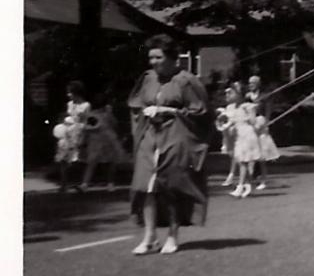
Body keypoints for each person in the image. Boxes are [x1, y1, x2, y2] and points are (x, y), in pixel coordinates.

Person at [127, 34, 211, 255]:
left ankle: (173, 235)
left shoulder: (185, 80)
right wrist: (143, 114)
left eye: (158, 57)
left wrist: (168, 110)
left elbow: (199, 111)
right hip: (150, 135)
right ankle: (150, 237)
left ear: (172, 58)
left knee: (170, 185)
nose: (153, 62)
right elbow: (136, 104)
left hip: (175, 135)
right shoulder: (147, 78)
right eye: (151, 57)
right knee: (146, 185)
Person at [218, 84, 261, 199]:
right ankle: (248, 184)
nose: (228, 95)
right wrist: (223, 126)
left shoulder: (247, 106)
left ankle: (240, 186)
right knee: (242, 161)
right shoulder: (233, 108)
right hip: (239, 136)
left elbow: (253, 122)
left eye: (230, 93)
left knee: (243, 162)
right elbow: (231, 123)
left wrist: (250, 113)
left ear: (238, 94)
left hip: (247, 135)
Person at [79, 92, 128, 191]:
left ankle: (86, 184)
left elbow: (87, 128)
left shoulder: (93, 114)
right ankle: (109, 183)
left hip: (98, 140)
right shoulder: (102, 114)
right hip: (105, 139)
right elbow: (114, 124)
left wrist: (84, 139)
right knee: (107, 162)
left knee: (94, 163)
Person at [55, 81, 90, 193]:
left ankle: (80, 183)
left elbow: (85, 121)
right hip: (67, 132)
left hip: (78, 133)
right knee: (63, 157)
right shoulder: (69, 104)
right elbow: (67, 117)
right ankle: (63, 183)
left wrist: (82, 136)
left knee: (76, 159)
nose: (68, 95)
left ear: (76, 93)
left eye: (70, 92)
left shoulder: (86, 105)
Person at [246, 75, 279, 190]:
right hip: (249, 127)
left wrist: (266, 124)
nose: (250, 85)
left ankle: (263, 180)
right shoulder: (247, 97)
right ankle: (250, 179)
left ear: (258, 84)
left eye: (253, 83)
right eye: (250, 83)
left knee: (261, 156)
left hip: (260, 126)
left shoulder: (265, 97)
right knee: (249, 155)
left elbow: (268, 111)